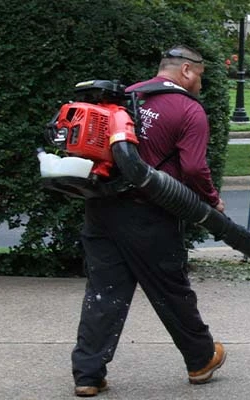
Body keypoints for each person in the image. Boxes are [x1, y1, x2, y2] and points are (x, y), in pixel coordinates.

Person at [71, 45, 226, 397]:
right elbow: (193, 168)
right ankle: (201, 359)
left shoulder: (124, 97)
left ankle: (88, 375)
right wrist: (212, 201)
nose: (200, 84)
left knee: (103, 290)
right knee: (170, 289)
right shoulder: (189, 110)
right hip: (151, 213)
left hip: (101, 206)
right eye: (200, 76)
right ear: (187, 70)